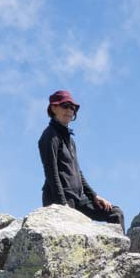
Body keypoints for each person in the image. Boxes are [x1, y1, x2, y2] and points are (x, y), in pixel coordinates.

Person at [38, 89, 123, 230]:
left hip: (79, 198)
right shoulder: (49, 136)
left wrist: (94, 196)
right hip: (59, 200)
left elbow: (77, 172)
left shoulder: (70, 140)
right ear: (53, 107)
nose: (70, 111)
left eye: (73, 108)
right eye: (65, 106)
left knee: (115, 213)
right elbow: (51, 172)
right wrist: (62, 206)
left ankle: (121, 251)